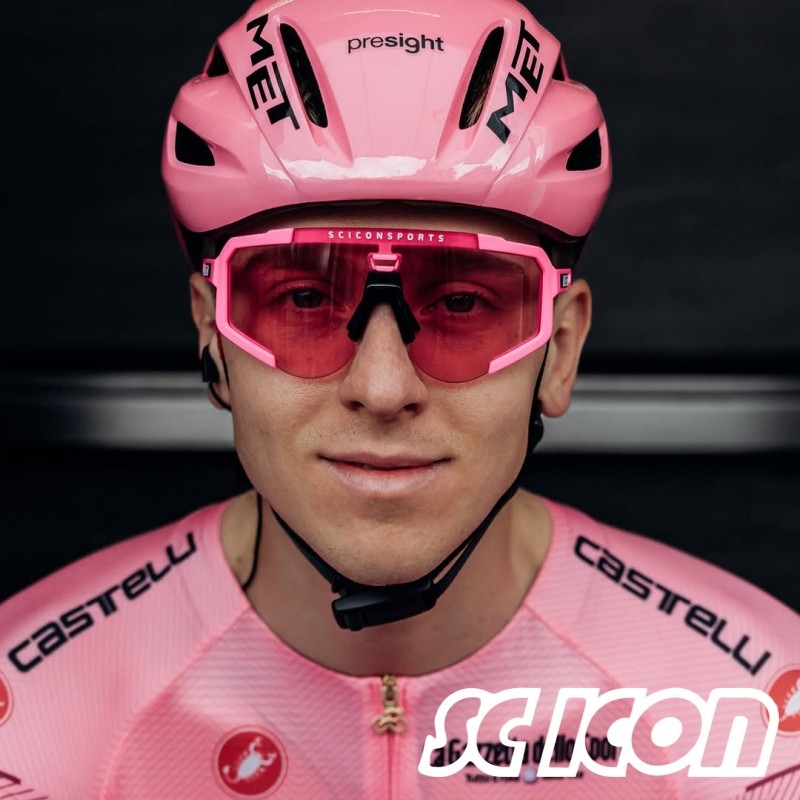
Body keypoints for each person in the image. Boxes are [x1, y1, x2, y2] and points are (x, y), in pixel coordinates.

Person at [1, 0, 797, 797]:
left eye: (462, 304)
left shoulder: (761, 733)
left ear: (559, 351)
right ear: (213, 335)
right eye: (304, 300)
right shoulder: (26, 732)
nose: (382, 390)